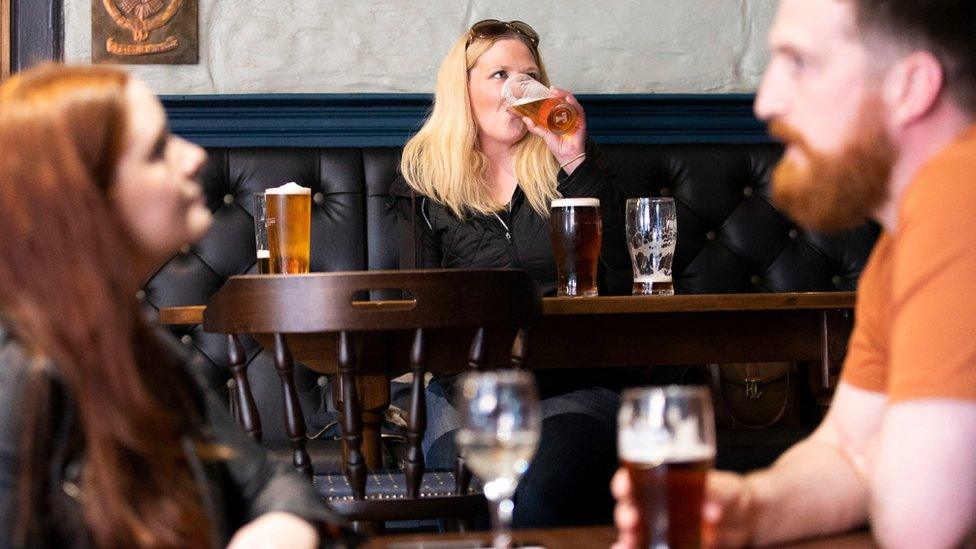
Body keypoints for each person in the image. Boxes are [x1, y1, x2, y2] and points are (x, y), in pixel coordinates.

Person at [612, 1, 976, 547]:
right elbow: (848, 450)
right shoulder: (901, 246)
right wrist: (752, 509)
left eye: (800, 62)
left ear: (911, 86)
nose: (766, 101)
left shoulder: (960, 191)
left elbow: (924, 524)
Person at [0, 65, 354, 548]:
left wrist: (283, 527)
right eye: (158, 150)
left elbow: (265, 482)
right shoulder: (18, 377)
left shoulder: (140, 349)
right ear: (86, 204)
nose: (194, 157)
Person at [390, 20, 631, 527]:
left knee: (536, 488)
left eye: (528, 76)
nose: (517, 90)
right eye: (499, 74)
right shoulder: (424, 181)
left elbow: (625, 271)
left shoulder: (575, 168)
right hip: (468, 393)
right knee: (476, 491)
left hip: (572, 384)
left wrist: (573, 158)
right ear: (464, 91)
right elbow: (417, 301)